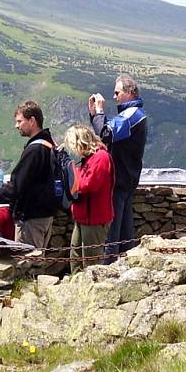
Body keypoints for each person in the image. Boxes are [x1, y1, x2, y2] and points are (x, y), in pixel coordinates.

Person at [0, 101, 56, 248]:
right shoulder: (49, 143)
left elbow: (15, 188)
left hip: (31, 217)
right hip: (46, 214)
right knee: (38, 260)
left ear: (32, 121)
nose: (16, 125)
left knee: (27, 263)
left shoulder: (34, 150)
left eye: (19, 121)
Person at [89, 73, 147, 262]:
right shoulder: (132, 114)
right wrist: (94, 115)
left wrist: (99, 112)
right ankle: (125, 263)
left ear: (129, 92)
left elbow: (106, 134)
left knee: (112, 233)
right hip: (127, 179)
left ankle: (108, 268)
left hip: (120, 180)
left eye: (117, 92)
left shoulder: (131, 115)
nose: (114, 97)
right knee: (124, 232)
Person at [63, 125, 115, 272]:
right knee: (76, 254)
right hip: (83, 216)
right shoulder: (89, 158)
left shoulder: (101, 158)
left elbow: (88, 184)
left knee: (91, 261)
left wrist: (71, 176)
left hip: (95, 219)